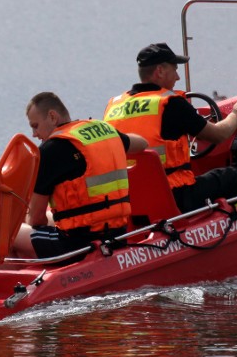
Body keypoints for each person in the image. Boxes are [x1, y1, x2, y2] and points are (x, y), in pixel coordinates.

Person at [103, 42, 237, 213]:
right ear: (160, 71)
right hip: (173, 195)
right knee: (232, 177)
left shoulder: (114, 105)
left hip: (131, 197)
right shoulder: (171, 104)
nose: (178, 77)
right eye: (175, 70)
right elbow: (219, 134)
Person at [18, 92, 147, 260]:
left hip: (76, 245)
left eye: (35, 126)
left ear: (52, 117)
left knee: (9, 234)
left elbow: (35, 219)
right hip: (117, 235)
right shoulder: (103, 129)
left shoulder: (49, 151)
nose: (34, 134)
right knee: (52, 218)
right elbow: (141, 143)